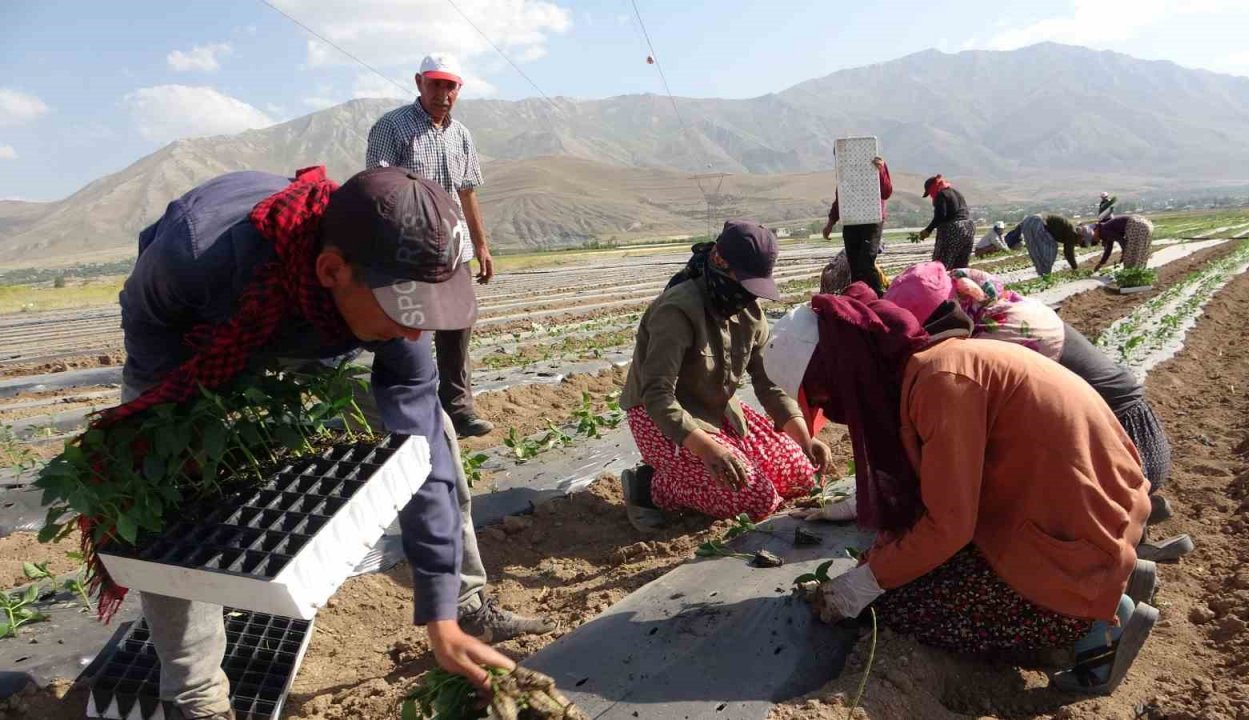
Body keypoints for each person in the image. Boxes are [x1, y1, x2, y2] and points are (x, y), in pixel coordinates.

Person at [116, 167, 552, 719]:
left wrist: (435, 611)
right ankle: (195, 698)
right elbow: (146, 325)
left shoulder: (383, 305)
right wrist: (184, 430)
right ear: (332, 270)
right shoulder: (195, 253)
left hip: (325, 328)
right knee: (171, 493)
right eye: (405, 312)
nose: (418, 334)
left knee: (435, 438)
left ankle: (463, 607)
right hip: (201, 334)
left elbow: (421, 453)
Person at [764, 285, 1158, 694]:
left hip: (1076, 540)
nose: (832, 411)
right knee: (912, 572)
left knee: (905, 606)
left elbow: (947, 526)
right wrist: (861, 518)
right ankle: (1112, 582)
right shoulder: (935, 365)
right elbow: (938, 485)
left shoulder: (941, 384)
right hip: (1089, 516)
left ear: (843, 367)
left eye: (826, 396)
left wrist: (866, 582)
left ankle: (1092, 626)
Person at [883, 262, 1192, 562]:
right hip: (1131, 434)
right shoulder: (1003, 309)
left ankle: (1117, 550)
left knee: (1010, 519)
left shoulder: (988, 343)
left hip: (1126, 449)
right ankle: (1131, 520)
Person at [618, 220, 831, 530]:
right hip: (659, 418)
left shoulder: (750, 314)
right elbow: (656, 394)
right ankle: (650, 487)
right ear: (718, 261)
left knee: (800, 473)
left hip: (717, 412)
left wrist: (804, 438)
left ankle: (711, 464)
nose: (747, 296)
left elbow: (769, 385)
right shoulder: (677, 311)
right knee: (754, 499)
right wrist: (707, 449)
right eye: (743, 283)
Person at [367, 52, 494, 438]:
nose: (443, 92)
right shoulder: (392, 127)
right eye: (435, 83)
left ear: (458, 89)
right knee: (408, 331)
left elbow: (467, 192)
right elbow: (380, 188)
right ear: (418, 82)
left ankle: (458, 409)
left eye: (450, 85)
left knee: (458, 327)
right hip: (409, 249)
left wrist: (482, 246)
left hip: (454, 250)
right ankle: (403, 414)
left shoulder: (461, 135)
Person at [822, 156, 894, 295]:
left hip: (872, 220)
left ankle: (881, 296)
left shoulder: (877, 166)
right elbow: (840, 200)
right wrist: (830, 223)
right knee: (854, 264)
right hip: (851, 221)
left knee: (866, 261)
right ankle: (860, 298)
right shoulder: (845, 174)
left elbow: (886, 192)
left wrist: (881, 171)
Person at [918, 175, 974, 270]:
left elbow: (940, 216)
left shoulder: (941, 194)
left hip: (953, 229)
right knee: (961, 266)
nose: (931, 196)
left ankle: (940, 283)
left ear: (932, 188)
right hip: (969, 227)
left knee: (941, 264)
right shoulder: (956, 193)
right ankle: (960, 283)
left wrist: (928, 230)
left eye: (930, 193)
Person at [1009, 212, 1084, 277]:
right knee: (1051, 249)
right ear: (1081, 236)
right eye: (1082, 241)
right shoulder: (1072, 233)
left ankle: (1043, 275)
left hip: (1028, 221)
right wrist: (1075, 268)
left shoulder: (1071, 229)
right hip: (1037, 222)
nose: (1079, 243)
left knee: (1036, 250)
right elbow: (1068, 252)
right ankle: (1046, 275)